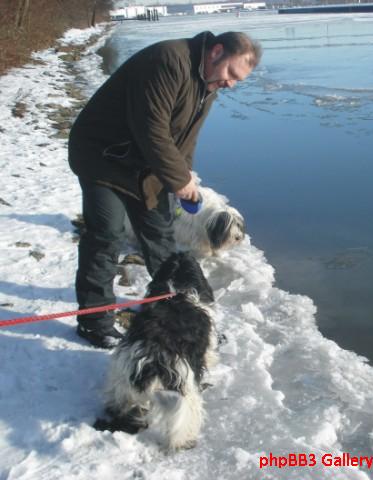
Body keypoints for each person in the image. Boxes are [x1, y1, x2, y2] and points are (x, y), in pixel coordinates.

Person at [68, 31, 262, 348]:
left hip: (144, 166)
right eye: (231, 73)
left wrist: (185, 175)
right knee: (107, 234)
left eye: (238, 79)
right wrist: (178, 179)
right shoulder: (167, 61)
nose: (231, 83)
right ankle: (94, 321)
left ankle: (178, 316)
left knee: (160, 237)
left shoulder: (208, 84)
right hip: (102, 157)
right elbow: (152, 129)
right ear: (215, 52)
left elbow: (185, 140)